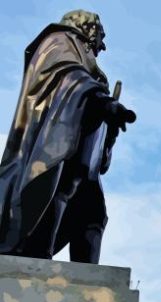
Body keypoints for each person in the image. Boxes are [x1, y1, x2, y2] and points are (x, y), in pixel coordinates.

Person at [0, 9, 136, 263]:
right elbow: (67, 77)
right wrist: (102, 100)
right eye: (100, 37)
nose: (102, 47)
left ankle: (89, 279)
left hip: (84, 148)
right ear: (89, 28)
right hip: (57, 139)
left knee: (94, 213)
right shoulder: (59, 41)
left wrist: (109, 121)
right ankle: (39, 259)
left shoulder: (84, 56)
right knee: (57, 191)